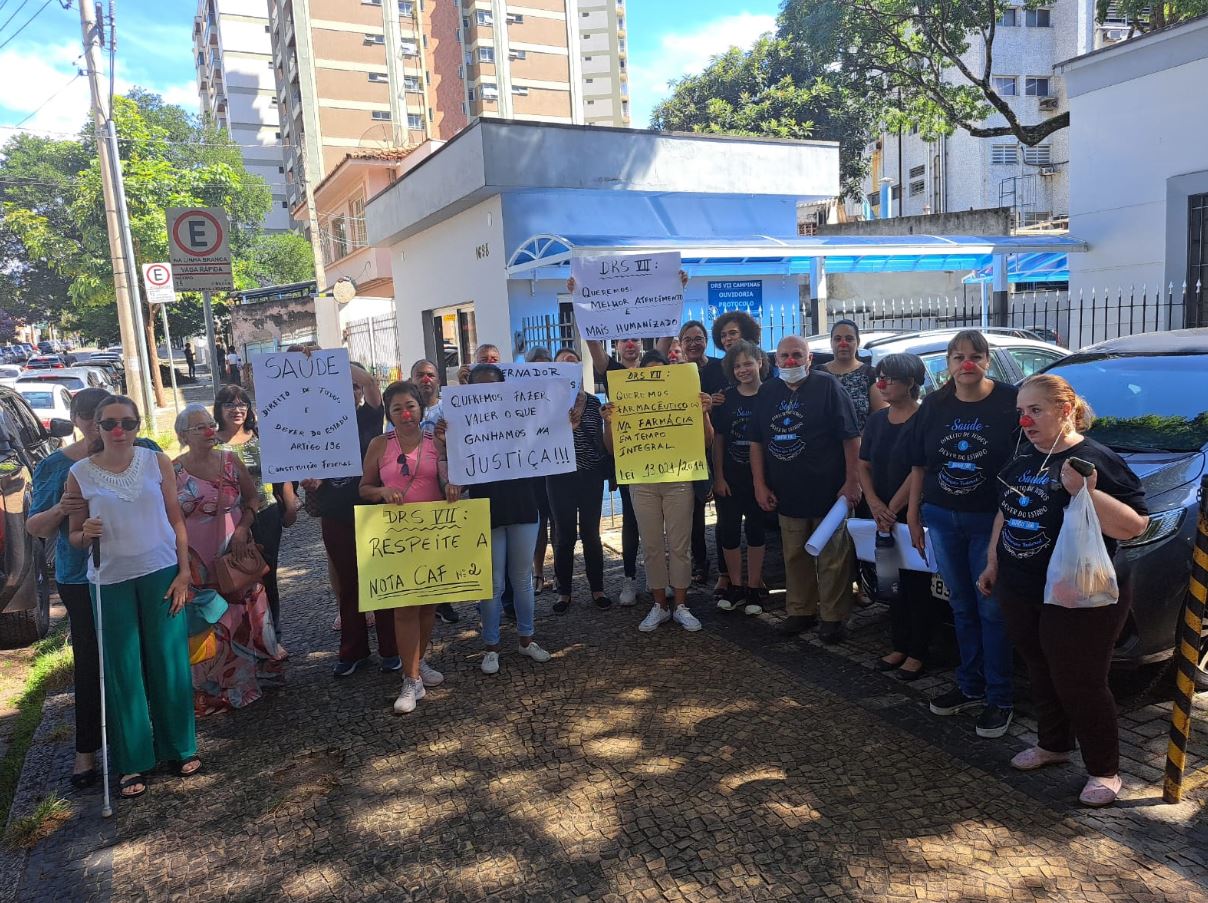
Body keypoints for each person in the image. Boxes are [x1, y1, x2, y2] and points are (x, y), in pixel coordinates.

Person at [979, 375, 1147, 807]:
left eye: (1035, 410)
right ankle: (1054, 745)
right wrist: (994, 561)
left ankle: (1105, 771)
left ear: (1066, 409)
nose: (1025, 419)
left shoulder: (1095, 459)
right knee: (1039, 667)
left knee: (1081, 680)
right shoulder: (1023, 456)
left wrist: (1088, 493)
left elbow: (1134, 526)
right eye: (1021, 411)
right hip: (1021, 585)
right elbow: (1007, 509)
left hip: (1080, 592)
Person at [27, 388, 161, 789]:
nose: (96, 425)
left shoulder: (144, 448)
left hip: (139, 567)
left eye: (102, 416)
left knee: (141, 654)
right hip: (80, 575)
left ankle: (143, 741)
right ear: (78, 421)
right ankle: (86, 752)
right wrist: (60, 511)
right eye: (86, 417)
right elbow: (35, 527)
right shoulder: (56, 466)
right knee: (92, 663)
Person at [65, 395, 198, 800]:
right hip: (109, 581)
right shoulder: (79, 473)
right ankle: (132, 761)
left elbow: (176, 518)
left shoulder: (155, 462)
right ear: (97, 428)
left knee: (168, 662)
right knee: (123, 672)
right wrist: (83, 532)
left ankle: (179, 748)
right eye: (109, 424)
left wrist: (185, 572)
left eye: (127, 422)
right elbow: (72, 537)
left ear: (138, 425)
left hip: (160, 572)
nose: (119, 431)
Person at [907, 330, 1020, 739]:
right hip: (941, 517)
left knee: (991, 609)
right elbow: (919, 465)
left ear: (987, 360)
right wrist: (914, 514)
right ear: (948, 364)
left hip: (989, 522)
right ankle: (970, 685)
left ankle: (1000, 697)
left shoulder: (1010, 402)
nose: (966, 364)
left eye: (975, 356)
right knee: (960, 606)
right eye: (958, 357)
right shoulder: (934, 405)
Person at [174, 404, 286, 714]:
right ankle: (210, 690)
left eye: (210, 424)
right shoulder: (173, 470)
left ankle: (245, 683)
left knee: (240, 615)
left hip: (234, 552)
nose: (210, 430)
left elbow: (253, 499)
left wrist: (243, 528)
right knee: (210, 620)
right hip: (197, 557)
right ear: (183, 434)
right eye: (200, 427)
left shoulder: (229, 460)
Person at [751, 335, 862, 643]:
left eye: (797, 355)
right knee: (795, 554)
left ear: (809, 359)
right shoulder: (767, 391)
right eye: (784, 356)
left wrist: (852, 482)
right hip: (787, 491)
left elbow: (851, 438)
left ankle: (833, 617)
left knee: (833, 558)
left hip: (829, 492)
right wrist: (759, 484)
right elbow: (757, 442)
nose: (791, 361)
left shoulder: (828, 387)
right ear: (774, 362)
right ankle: (800, 611)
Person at [360, 381, 457, 713]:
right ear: (388, 411)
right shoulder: (378, 444)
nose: (405, 414)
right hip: (396, 538)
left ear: (421, 408)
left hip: (433, 534)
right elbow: (364, 488)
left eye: (410, 406)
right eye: (397, 408)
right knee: (404, 607)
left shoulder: (437, 441)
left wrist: (453, 487)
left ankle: (418, 662)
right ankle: (409, 679)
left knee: (428, 605)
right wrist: (381, 493)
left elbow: (450, 478)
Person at [603, 349, 713, 633]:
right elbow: (613, 449)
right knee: (651, 546)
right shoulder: (626, 400)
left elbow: (707, 441)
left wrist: (703, 413)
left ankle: (681, 605)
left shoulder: (689, 396)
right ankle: (659, 605)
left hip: (679, 477)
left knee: (680, 545)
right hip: (642, 480)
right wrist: (609, 421)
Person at [303, 362, 398, 675]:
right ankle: (352, 650)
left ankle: (391, 649)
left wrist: (327, 361)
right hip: (335, 512)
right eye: (342, 387)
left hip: (371, 510)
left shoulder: (370, 416)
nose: (351, 390)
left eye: (353, 386)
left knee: (381, 579)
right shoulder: (315, 424)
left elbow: (371, 383)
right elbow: (308, 465)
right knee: (348, 584)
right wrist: (311, 479)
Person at [459, 364, 552, 674]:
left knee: (522, 579)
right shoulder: (463, 423)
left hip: (524, 506)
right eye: (479, 386)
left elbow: (550, 433)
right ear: (469, 390)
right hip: (486, 510)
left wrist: (568, 422)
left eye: (493, 386)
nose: (487, 392)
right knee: (491, 583)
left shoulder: (523, 416)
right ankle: (491, 647)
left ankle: (527, 640)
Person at [857, 354, 932, 680]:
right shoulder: (877, 420)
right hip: (881, 517)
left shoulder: (923, 419)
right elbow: (863, 464)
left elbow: (921, 468)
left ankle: (919, 651)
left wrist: (893, 507)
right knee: (890, 583)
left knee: (917, 587)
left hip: (909, 515)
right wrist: (874, 502)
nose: (882, 384)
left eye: (890, 379)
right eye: (880, 378)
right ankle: (899, 643)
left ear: (912, 382)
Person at [215, 384, 298, 637]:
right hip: (228, 519)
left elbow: (280, 471)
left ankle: (273, 632)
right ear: (219, 410)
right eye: (230, 404)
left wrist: (290, 502)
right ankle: (242, 633)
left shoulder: (262, 436)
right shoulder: (212, 442)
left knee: (266, 573)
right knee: (235, 576)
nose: (237, 409)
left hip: (266, 515)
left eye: (242, 404)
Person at [547, 347, 611, 613]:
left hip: (590, 476)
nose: (569, 367)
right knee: (564, 537)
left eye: (573, 363)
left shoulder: (595, 403)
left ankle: (598, 588)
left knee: (591, 535)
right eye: (562, 364)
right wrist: (563, 426)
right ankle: (564, 593)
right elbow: (539, 442)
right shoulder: (546, 403)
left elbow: (601, 443)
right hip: (559, 478)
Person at [710, 340, 767, 616]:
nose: (743, 369)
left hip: (761, 479)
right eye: (737, 366)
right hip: (730, 478)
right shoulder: (725, 399)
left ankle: (754, 587)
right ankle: (735, 585)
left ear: (760, 363)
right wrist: (718, 477)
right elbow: (718, 440)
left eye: (747, 363)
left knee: (756, 532)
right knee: (730, 531)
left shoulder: (771, 394)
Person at [677, 320, 727, 587]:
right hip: (688, 449)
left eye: (698, 338)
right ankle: (700, 562)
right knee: (693, 513)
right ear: (681, 344)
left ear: (706, 340)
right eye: (688, 339)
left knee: (723, 512)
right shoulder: (676, 373)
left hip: (719, 446)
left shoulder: (721, 367)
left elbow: (737, 392)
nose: (694, 343)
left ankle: (725, 570)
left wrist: (720, 401)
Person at [525, 346, 555, 594]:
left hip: (557, 467)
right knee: (538, 523)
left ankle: (559, 572)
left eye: (546, 363)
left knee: (558, 523)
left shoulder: (559, 392)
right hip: (532, 469)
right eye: (537, 364)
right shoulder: (520, 394)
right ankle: (538, 573)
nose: (542, 368)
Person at [819, 319, 884, 432]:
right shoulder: (818, 373)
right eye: (838, 339)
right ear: (831, 343)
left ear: (857, 342)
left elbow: (880, 417)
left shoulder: (871, 374)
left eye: (849, 339)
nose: (843, 343)